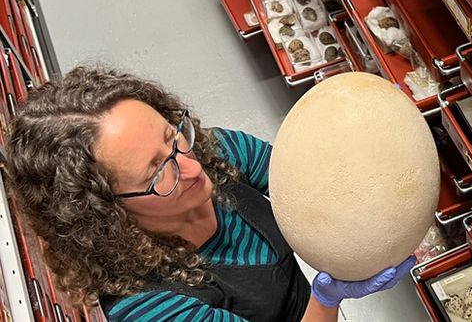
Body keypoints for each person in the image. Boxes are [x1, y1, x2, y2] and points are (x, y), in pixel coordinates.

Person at [5, 67, 415, 321]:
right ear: (106, 214)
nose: (192, 166)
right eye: (158, 171)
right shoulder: (149, 308)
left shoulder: (209, 151)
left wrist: (372, 203)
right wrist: (328, 299)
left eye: (171, 135)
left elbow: (301, 183)